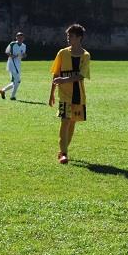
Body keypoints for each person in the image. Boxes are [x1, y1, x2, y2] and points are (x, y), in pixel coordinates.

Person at [49, 24, 90, 164]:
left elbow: (80, 76)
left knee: (72, 123)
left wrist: (63, 79)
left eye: (71, 36)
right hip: (64, 95)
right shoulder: (62, 53)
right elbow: (55, 74)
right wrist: (51, 94)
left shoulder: (85, 55)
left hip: (78, 95)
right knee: (65, 121)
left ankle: (63, 150)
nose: (68, 38)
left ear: (79, 38)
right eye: (68, 35)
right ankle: (64, 153)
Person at [0, 32, 27, 100]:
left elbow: (23, 55)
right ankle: (12, 96)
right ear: (16, 37)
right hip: (12, 64)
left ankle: (3, 90)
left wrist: (24, 55)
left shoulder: (24, 46)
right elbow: (6, 52)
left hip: (18, 64)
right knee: (18, 81)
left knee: (15, 82)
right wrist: (12, 56)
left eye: (21, 37)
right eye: (18, 37)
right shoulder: (12, 44)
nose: (20, 38)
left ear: (23, 38)